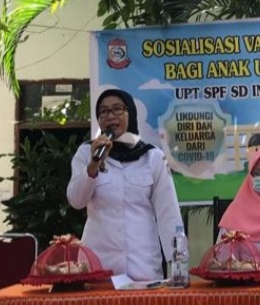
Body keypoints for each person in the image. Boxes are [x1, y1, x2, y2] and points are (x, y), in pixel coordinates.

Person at [67, 88, 184, 281]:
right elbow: (76, 201)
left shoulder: (152, 156)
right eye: (104, 111)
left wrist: (178, 265)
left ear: (130, 113)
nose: (110, 116)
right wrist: (93, 165)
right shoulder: (86, 153)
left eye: (117, 109)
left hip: (143, 268)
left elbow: (168, 213)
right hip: (99, 267)